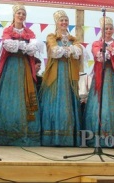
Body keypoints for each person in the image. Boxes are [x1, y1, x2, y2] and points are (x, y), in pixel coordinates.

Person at [0, 4, 44, 146]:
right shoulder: (8, 30)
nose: (21, 15)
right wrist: (23, 46)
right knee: (10, 93)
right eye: (19, 13)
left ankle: (26, 133)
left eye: (23, 14)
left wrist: (20, 45)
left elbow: (34, 48)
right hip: (11, 66)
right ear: (14, 15)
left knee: (24, 92)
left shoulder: (29, 32)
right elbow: (7, 45)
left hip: (25, 66)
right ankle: (6, 133)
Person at [83, 16, 114, 148]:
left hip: (113, 77)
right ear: (101, 30)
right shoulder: (96, 43)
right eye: (106, 28)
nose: (108, 31)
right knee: (99, 104)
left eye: (110, 28)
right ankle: (96, 136)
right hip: (101, 75)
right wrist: (111, 52)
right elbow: (98, 55)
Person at [39, 10, 84, 146]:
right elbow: (54, 51)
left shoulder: (73, 39)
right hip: (56, 72)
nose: (64, 23)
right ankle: (52, 136)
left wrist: (69, 50)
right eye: (61, 20)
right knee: (55, 99)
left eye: (66, 20)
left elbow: (79, 51)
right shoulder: (52, 36)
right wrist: (69, 50)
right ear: (57, 23)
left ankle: (68, 136)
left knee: (69, 99)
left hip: (70, 73)